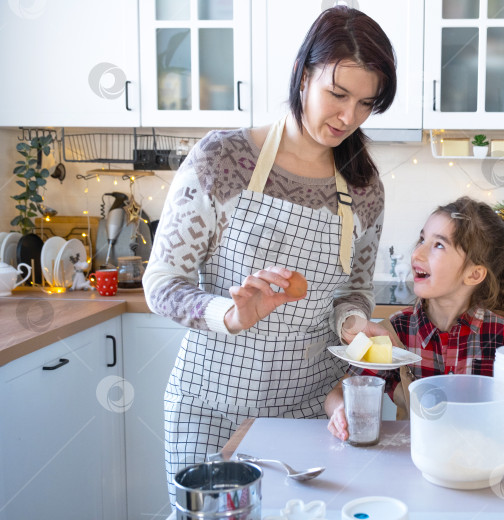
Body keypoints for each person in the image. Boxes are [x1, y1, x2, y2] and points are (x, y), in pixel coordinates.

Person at [142, 6, 397, 503]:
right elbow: (162, 282)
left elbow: (354, 292)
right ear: (304, 75)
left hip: (310, 413)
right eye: (337, 94)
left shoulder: (364, 188)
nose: (350, 117)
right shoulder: (224, 160)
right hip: (209, 408)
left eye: (366, 103)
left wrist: (351, 325)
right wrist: (228, 314)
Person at [325, 196, 504, 440]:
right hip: (413, 462)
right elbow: (342, 391)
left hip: (480, 464)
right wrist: (340, 410)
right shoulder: (396, 332)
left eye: (438, 245)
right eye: (422, 239)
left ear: (474, 274)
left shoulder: (503, 338)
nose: (417, 253)